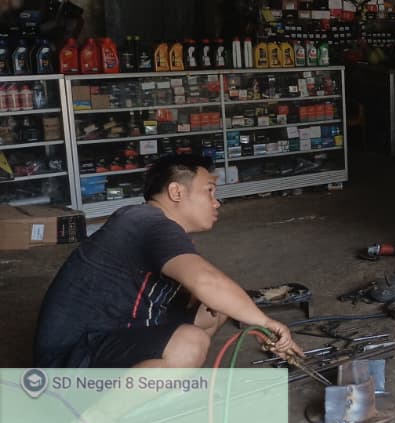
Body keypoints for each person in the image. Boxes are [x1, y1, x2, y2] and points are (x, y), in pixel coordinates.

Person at [34, 154, 300, 368]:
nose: (216, 202)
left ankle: (158, 387)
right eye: (209, 191)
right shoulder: (147, 223)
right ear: (176, 192)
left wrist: (210, 297)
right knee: (189, 343)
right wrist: (267, 323)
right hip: (69, 361)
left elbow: (207, 291)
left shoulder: (146, 221)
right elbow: (206, 281)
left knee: (216, 309)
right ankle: (95, 416)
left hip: (110, 334)